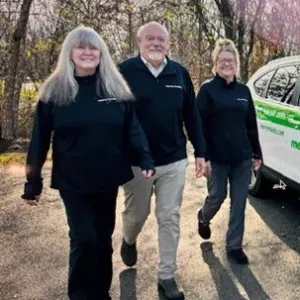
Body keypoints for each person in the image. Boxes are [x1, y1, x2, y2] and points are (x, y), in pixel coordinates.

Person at [21, 25, 155, 300]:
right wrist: (32, 182)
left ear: (101, 53)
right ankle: (81, 294)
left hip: (108, 178)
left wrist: (144, 156)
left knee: (103, 239)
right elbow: (39, 139)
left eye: (93, 47)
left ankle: (101, 290)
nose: (87, 52)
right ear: (70, 52)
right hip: (73, 180)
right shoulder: (55, 92)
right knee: (84, 239)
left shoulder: (115, 87)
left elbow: (132, 128)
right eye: (81, 46)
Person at [118, 21, 206, 300]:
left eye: (161, 39)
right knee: (137, 215)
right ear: (139, 42)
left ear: (168, 43)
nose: (156, 43)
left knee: (169, 218)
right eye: (150, 39)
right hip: (136, 163)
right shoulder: (124, 71)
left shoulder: (179, 73)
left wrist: (201, 151)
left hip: (174, 160)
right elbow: (114, 116)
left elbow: (192, 115)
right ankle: (129, 239)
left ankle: (166, 276)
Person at [196, 38, 262, 265]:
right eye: (222, 60)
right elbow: (199, 126)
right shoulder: (207, 90)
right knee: (217, 196)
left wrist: (256, 154)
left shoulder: (244, 91)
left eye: (231, 60)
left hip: (242, 157)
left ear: (236, 63)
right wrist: (202, 157)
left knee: (239, 201)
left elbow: (251, 124)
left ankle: (234, 245)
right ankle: (203, 217)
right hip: (216, 158)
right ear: (215, 62)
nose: (227, 64)